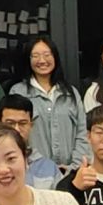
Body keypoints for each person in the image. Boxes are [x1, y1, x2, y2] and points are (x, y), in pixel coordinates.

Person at [10, 36, 88, 172]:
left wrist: (74, 167)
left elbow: (82, 133)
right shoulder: (18, 92)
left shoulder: (71, 93)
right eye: (35, 56)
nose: (42, 60)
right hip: (33, 172)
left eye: (47, 55)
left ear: (55, 57)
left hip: (70, 172)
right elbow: (14, 135)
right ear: (28, 60)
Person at [0, 93, 62, 188]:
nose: (16, 129)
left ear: (31, 125)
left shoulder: (49, 168)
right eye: (10, 123)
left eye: (22, 123)